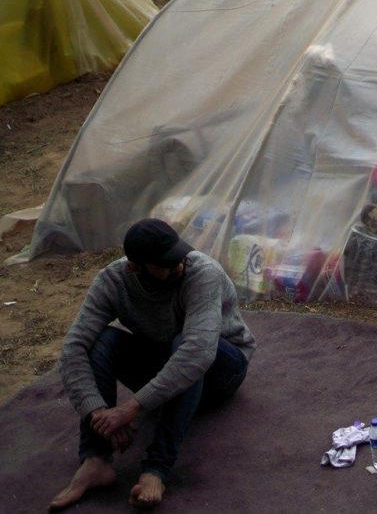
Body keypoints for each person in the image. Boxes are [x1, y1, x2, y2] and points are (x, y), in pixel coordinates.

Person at [49, 219, 254, 511]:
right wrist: (98, 413)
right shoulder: (113, 281)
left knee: (186, 347)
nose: (178, 267)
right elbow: (73, 349)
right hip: (165, 361)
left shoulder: (202, 273)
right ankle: (96, 459)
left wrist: (129, 409)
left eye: (179, 258)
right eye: (166, 264)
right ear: (136, 267)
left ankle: (157, 468)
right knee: (100, 341)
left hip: (222, 369)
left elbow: (198, 353)